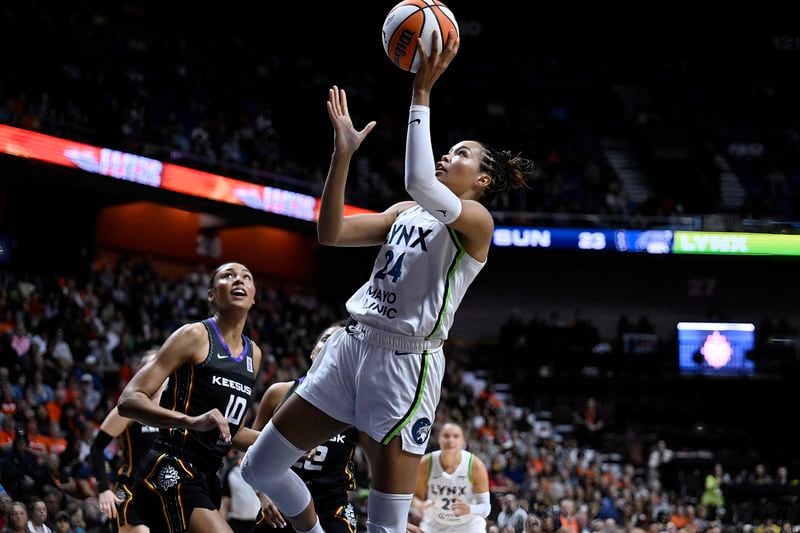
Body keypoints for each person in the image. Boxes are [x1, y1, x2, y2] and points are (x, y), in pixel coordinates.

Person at [241, 29, 533, 533]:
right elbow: (330, 232)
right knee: (258, 468)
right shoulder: (405, 210)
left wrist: (421, 91)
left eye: (461, 154)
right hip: (351, 346)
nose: (448, 155)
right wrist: (343, 155)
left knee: (385, 526)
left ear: (482, 181)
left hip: (405, 363)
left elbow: (419, 179)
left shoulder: (476, 223)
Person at [118, 262, 262, 533]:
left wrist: (291, 446)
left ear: (254, 297)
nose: (238, 280)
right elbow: (129, 400)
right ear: (211, 294)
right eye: (228, 276)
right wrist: (190, 421)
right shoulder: (194, 335)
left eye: (247, 277)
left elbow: (234, 432)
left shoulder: (254, 354)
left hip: (208, 476)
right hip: (171, 463)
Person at [251, 322, 360, 533]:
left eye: (341, 343)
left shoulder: (358, 408)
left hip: (332, 507)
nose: (332, 346)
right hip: (280, 502)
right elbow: (251, 451)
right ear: (312, 353)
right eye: (327, 339)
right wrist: (262, 494)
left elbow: (379, 468)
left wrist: (393, 517)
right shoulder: (278, 393)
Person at [88, 350, 165, 533]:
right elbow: (96, 448)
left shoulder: (175, 411)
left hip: (162, 493)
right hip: (131, 491)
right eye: (150, 368)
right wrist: (104, 489)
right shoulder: (130, 407)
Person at [413, 422, 490, 533]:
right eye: (446, 436)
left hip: (469, 526)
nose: (450, 440)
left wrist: (469, 509)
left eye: (455, 436)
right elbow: (416, 498)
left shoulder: (475, 465)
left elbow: (486, 508)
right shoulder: (426, 463)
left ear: (463, 440)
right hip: (435, 525)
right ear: (439, 439)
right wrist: (419, 506)